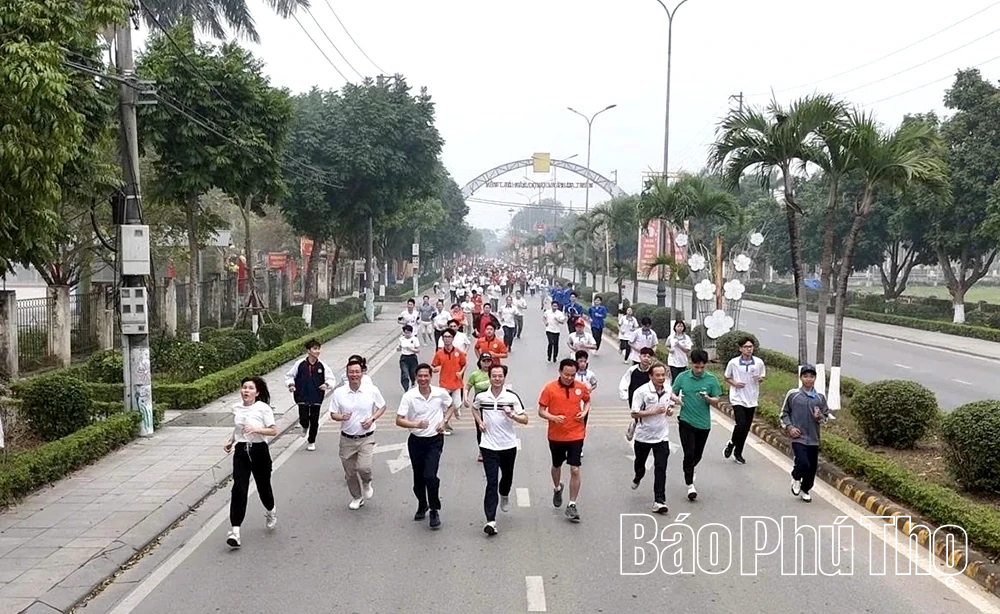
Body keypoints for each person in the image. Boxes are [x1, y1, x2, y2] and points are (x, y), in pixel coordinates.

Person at [396, 364, 455, 530]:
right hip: (416, 440)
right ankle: (423, 504)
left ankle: (434, 509)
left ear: (430, 377)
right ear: (416, 377)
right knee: (418, 480)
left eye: (426, 376)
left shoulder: (439, 393)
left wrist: (444, 421)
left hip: (435, 440)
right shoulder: (409, 396)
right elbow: (399, 419)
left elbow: (451, 406)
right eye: (420, 376)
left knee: (430, 476)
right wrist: (416, 424)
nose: (423, 379)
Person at [472, 364, 528, 536]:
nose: (497, 379)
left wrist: (512, 415)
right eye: (494, 376)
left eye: (500, 376)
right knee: (491, 482)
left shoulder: (511, 397)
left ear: (505, 377)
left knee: (507, 478)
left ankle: (504, 494)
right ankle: (491, 520)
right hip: (489, 445)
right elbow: (474, 408)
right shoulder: (482, 396)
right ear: (489, 377)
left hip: (508, 445)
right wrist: (480, 422)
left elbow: (525, 419)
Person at [223, 376, 277, 549]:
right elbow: (239, 427)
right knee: (239, 488)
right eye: (244, 387)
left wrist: (256, 429)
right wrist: (231, 440)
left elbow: (273, 430)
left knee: (263, 487)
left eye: (250, 388)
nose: (246, 391)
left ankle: (270, 510)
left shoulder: (263, 408)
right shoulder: (236, 408)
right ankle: (235, 530)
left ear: (257, 392)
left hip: (259, 450)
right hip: (241, 451)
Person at [538, 358, 591, 523]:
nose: (569, 378)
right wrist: (553, 417)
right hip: (556, 435)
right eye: (566, 374)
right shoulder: (550, 388)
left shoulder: (580, 387)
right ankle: (557, 488)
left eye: (572, 375)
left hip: (576, 433)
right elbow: (541, 411)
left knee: (575, 469)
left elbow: (587, 400)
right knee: (557, 465)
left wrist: (584, 412)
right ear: (560, 372)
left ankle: (572, 504)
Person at [330, 359, 387, 510]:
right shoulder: (339, 393)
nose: (354, 375)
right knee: (350, 473)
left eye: (357, 372)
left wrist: (372, 418)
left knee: (364, 468)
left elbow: (382, 406)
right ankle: (357, 497)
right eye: (351, 372)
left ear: (362, 373)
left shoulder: (371, 390)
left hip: (366, 437)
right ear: (347, 374)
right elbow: (333, 414)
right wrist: (341, 417)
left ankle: (367, 482)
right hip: (347, 438)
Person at [671, 349, 722, 501]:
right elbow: (672, 392)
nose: (699, 370)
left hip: (703, 423)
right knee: (689, 452)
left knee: (697, 454)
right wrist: (677, 400)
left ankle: (690, 469)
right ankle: (690, 485)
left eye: (702, 367)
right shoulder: (682, 377)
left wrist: (707, 398)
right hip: (686, 420)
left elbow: (717, 399)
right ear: (691, 364)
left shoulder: (711, 379)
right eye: (696, 367)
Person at [630, 362, 680, 514]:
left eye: (663, 375)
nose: (660, 378)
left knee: (661, 468)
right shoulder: (641, 392)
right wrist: (653, 411)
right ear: (650, 376)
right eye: (657, 375)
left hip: (662, 436)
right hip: (643, 435)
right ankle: (638, 476)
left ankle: (659, 500)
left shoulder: (668, 389)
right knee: (640, 464)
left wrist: (669, 410)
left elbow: (669, 405)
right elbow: (634, 413)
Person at [780, 364, 830, 503]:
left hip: (814, 438)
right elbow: (784, 413)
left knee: (812, 468)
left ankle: (806, 489)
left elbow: (825, 418)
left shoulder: (819, 398)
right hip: (798, 437)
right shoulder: (793, 395)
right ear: (801, 377)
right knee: (803, 463)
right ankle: (796, 477)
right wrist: (790, 427)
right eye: (806, 376)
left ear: (815, 378)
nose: (809, 379)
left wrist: (819, 416)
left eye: (811, 376)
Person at [284, 338, 335, 451]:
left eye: (318, 349)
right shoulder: (300, 364)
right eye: (315, 349)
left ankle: (311, 441)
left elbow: (331, 379)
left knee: (314, 420)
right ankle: (304, 426)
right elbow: (289, 376)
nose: (317, 351)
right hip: (302, 395)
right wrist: (291, 385)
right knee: (304, 417)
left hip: (316, 396)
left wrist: (326, 385)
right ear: (308, 350)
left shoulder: (322, 366)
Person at [724, 336, 766, 465]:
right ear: (740, 348)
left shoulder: (758, 362)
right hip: (737, 397)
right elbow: (727, 377)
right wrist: (735, 383)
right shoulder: (734, 362)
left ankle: (738, 452)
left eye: (751, 347)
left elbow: (762, 377)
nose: (749, 349)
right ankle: (732, 444)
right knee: (741, 424)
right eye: (746, 347)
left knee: (746, 428)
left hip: (752, 398)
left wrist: (759, 379)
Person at [432, 329, 467, 435]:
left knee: (456, 405)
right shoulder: (439, 353)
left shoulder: (458, 352)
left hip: (456, 383)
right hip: (444, 383)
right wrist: (435, 369)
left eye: (449, 337)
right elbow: (433, 366)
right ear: (442, 339)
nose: (447, 339)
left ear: (453, 338)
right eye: (445, 337)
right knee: (444, 407)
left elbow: (464, 364)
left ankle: (454, 413)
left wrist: (461, 372)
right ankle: (443, 426)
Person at [619, 347, 655, 442]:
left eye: (649, 356)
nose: (646, 358)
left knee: (645, 415)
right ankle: (635, 426)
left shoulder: (653, 372)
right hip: (634, 397)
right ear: (639, 357)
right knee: (637, 413)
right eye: (644, 356)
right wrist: (624, 394)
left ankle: (636, 425)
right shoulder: (632, 370)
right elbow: (625, 382)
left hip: (648, 397)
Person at [465, 353, 495, 454]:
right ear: (480, 362)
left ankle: (493, 448)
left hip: (493, 405)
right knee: (481, 427)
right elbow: (468, 387)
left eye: (488, 361)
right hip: (479, 405)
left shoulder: (494, 373)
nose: (486, 364)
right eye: (484, 361)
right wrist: (465, 398)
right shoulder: (475, 374)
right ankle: (482, 451)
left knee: (493, 426)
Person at [397, 324, 420, 392]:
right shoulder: (401, 339)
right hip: (404, 358)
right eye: (406, 332)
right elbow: (399, 347)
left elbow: (418, 350)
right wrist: (398, 348)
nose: (407, 334)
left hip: (412, 357)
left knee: (413, 373)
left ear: (411, 332)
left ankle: (413, 381)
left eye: (409, 332)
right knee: (405, 373)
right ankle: (406, 388)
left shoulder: (415, 339)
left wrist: (411, 349)